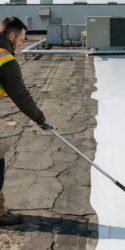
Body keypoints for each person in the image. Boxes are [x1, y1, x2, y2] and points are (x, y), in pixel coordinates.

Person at [0, 16, 52, 226]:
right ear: (11, 35)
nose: (22, 44)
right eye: (21, 39)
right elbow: (22, 97)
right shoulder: (5, 60)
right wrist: (42, 119)